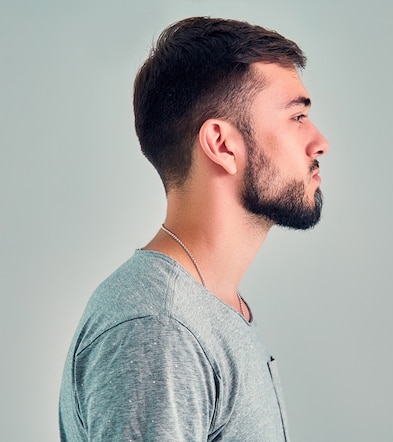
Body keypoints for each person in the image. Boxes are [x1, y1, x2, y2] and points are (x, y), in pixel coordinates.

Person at [59, 16, 329, 441]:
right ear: (222, 145)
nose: (319, 142)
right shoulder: (159, 328)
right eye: (297, 117)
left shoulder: (210, 308)